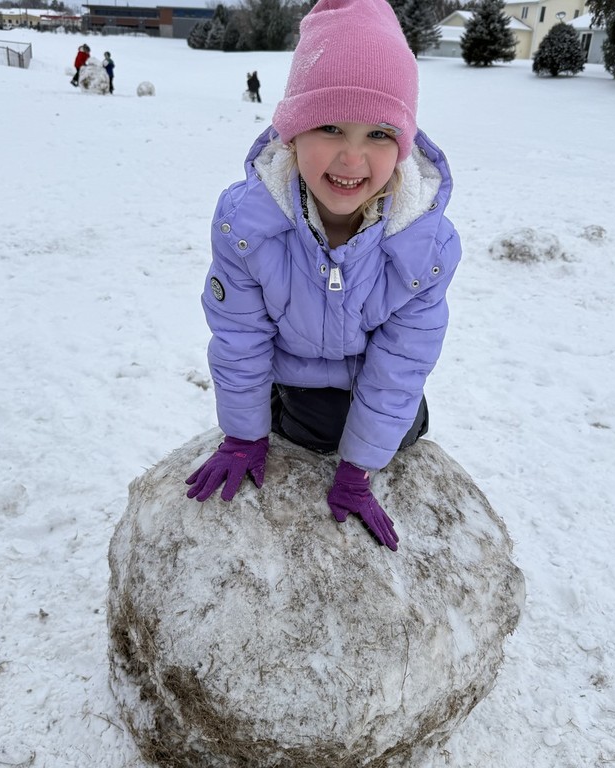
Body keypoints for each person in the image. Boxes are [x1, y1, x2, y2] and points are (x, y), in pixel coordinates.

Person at [185, 0, 462, 553]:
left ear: (404, 147)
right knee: (306, 424)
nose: (352, 157)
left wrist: (359, 467)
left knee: (397, 427)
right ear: (291, 135)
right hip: (292, 381)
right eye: (331, 126)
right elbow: (239, 338)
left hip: (367, 382)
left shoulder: (423, 246)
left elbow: (402, 363)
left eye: (380, 134)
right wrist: (243, 434)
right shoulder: (247, 225)